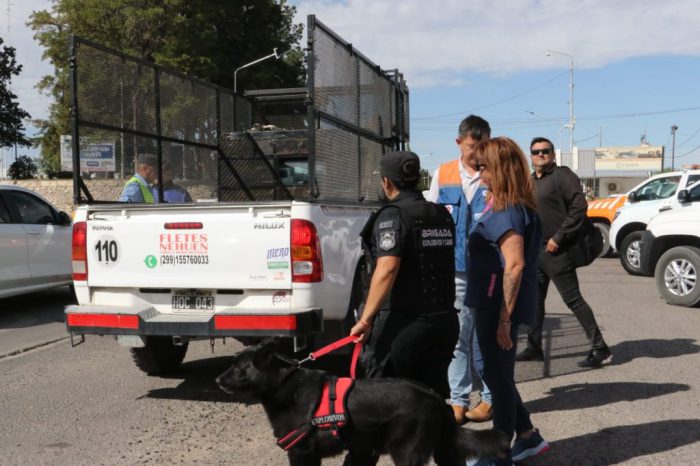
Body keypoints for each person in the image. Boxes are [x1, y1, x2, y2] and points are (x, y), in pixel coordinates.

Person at [467, 137, 548, 466]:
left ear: (500, 170)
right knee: (494, 372)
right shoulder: (503, 205)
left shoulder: (508, 211)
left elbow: (514, 265)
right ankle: (528, 436)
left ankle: (498, 452)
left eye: (484, 168)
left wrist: (503, 320)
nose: (480, 174)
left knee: (497, 376)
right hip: (490, 303)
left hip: (498, 307)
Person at [350, 150, 459, 395]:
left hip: (403, 323)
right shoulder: (441, 213)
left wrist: (365, 319)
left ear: (386, 182)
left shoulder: (392, 215)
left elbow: (387, 267)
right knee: (430, 401)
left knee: (387, 398)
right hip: (443, 321)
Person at [517, 137, 612, 368]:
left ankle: (600, 347)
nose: (540, 155)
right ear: (531, 156)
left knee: (573, 300)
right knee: (535, 300)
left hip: (557, 251)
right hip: (536, 252)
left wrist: (559, 237)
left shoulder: (562, 175)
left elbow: (579, 207)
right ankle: (534, 347)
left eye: (545, 151)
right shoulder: (530, 181)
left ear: (553, 154)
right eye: (536, 152)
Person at [426, 114, 493, 425]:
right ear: (458, 143)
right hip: (455, 271)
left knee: (487, 336)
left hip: (491, 270)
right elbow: (431, 219)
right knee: (458, 336)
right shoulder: (444, 173)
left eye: (482, 146)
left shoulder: (496, 174)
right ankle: (458, 400)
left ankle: (491, 398)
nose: (477, 153)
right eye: (471, 146)